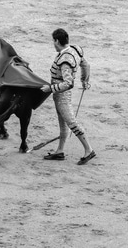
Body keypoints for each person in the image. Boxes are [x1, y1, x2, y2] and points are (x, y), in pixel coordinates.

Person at [40, 28, 96, 165]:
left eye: (53, 41)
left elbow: (68, 84)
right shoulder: (75, 49)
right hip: (60, 95)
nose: (53, 44)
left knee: (71, 122)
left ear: (57, 41)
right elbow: (86, 65)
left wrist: (50, 88)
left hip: (62, 95)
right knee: (63, 122)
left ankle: (89, 150)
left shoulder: (65, 60)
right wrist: (84, 80)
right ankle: (60, 151)